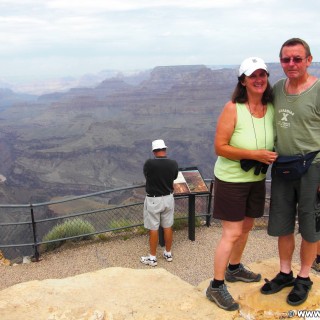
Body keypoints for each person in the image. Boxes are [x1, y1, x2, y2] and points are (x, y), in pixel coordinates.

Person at [206, 57, 277, 311]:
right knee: (232, 232)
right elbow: (220, 147)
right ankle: (215, 285)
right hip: (232, 180)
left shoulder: (270, 107)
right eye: (253, 75)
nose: (259, 79)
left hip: (256, 179)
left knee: (247, 226)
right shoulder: (232, 108)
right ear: (243, 81)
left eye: (263, 74)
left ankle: (234, 268)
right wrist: (255, 154)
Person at [260, 38, 320, 306]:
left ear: (309, 60)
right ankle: (285, 272)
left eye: (297, 58)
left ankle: (304, 277)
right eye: (286, 59)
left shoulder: (318, 90)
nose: (292, 64)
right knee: (283, 224)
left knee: (310, 227)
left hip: (313, 168)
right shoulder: (277, 89)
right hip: (283, 166)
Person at [140, 139, 179, 267]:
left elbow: (147, 176)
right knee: (167, 226)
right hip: (168, 198)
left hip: (154, 200)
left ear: (153, 151)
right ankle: (168, 253)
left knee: (154, 228)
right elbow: (174, 177)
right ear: (165, 149)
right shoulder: (173, 163)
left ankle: (152, 258)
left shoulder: (149, 164)